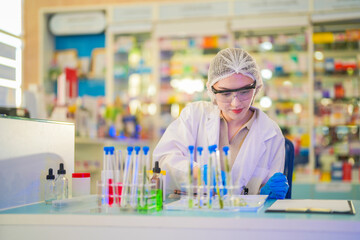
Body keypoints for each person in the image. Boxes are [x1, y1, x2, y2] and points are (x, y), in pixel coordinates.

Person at [153, 48, 289, 199]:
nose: (236, 103)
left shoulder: (271, 134)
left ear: (256, 87)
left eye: (244, 92)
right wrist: (198, 173)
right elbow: (163, 161)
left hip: (246, 220)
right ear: (212, 90)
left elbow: (269, 197)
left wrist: (267, 196)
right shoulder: (194, 116)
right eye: (225, 93)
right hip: (196, 217)